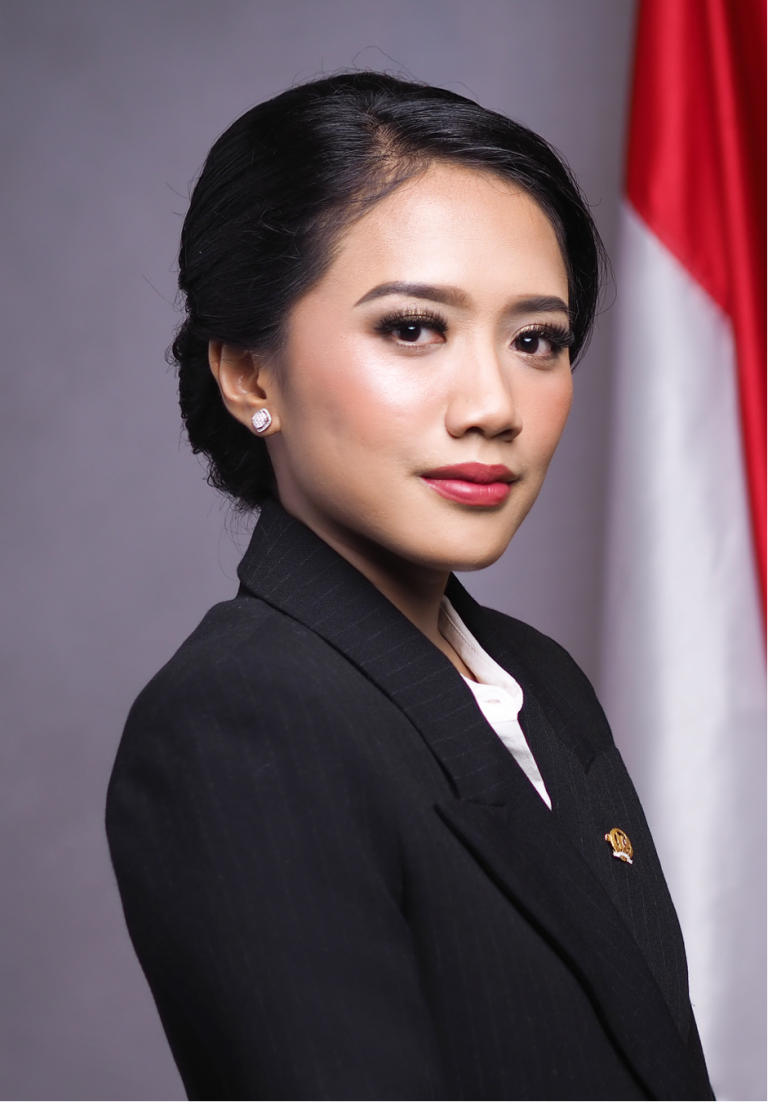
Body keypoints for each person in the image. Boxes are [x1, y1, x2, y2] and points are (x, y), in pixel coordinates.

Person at [106, 72, 713, 1101]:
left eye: (536, 340)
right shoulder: (240, 716)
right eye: (413, 328)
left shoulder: (539, 681)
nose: (493, 405)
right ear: (250, 375)